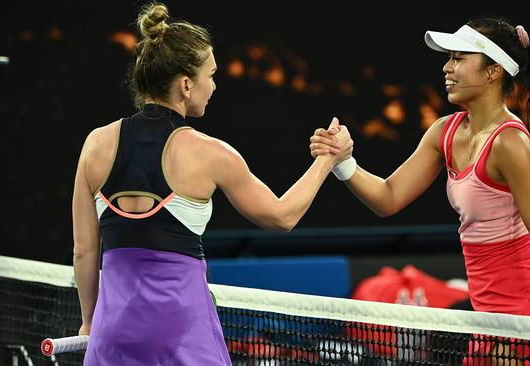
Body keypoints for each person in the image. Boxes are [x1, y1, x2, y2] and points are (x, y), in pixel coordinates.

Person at [71, 2, 352, 365]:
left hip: (113, 336)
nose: (215, 86)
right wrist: (328, 158)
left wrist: (90, 323)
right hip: (181, 335)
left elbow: (83, 251)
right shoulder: (210, 154)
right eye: (211, 75)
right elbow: (282, 216)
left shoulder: (95, 143)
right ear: (186, 85)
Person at [310, 16, 530, 320]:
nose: (447, 67)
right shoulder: (444, 132)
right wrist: (343, 163)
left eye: (459, 58)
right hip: (483, 317)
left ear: (493, 71)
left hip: (524, 316)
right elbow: (388, 197)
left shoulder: (510, 143)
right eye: (449, 58)